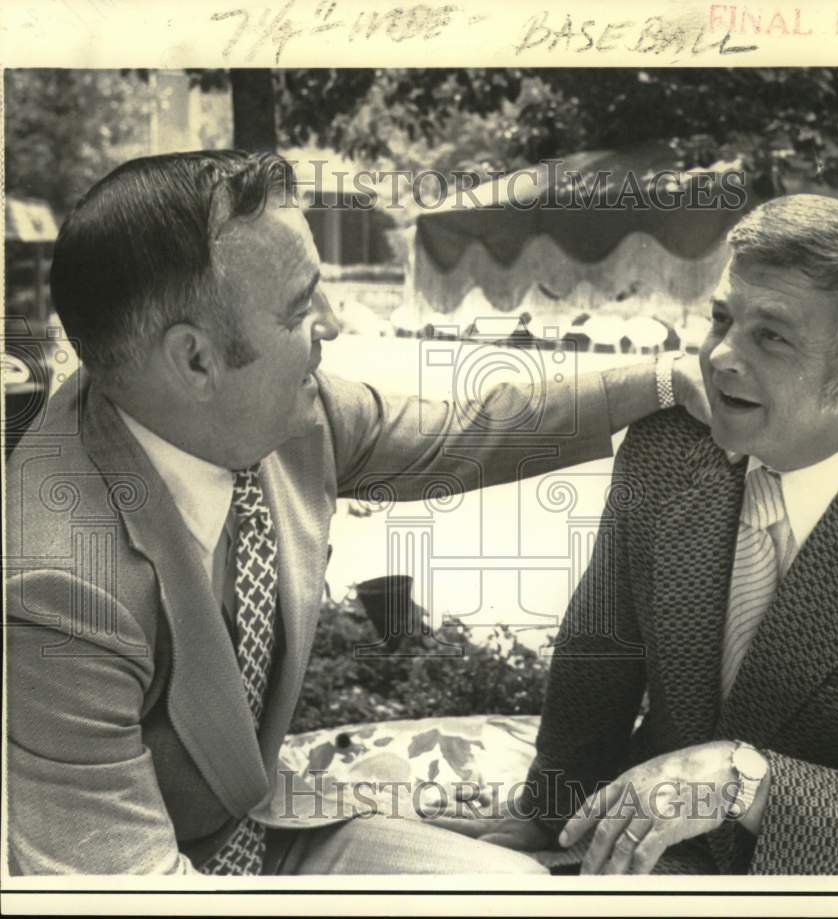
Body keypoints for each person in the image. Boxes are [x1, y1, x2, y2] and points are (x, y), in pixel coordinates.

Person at [4, 150, 710, 875]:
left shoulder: (284, 415)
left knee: (513, 887)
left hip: (261, 827)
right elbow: (128, 888)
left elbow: (467, 432)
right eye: (303, 305)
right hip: (150, 867)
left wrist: (660, 380)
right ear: (194, 361)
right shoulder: (54, 584)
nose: (336, 323)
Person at [432, 195, 838, 874]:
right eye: (722, 319)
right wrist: (547, 812)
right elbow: (601, 649)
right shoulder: (665, 451)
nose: (722, 354)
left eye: (771, 335)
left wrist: (740, 777)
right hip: (640, 860)